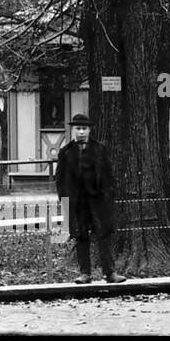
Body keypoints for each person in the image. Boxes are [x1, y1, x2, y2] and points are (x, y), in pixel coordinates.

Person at [55, 113, 127, 284]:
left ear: (89, 130)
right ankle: (85, 274)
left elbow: (109, 176)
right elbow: (60, 178)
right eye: (78, 129)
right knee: (80, 236)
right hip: (77, 202)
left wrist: (108, 196)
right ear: (73, 130)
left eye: (84, 128)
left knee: (104, 235)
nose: (81, 132)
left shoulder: (100, 149)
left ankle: (110, 273)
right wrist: (65, 200)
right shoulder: (65, 152)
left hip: (98, 201)